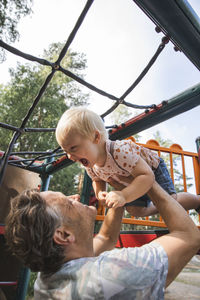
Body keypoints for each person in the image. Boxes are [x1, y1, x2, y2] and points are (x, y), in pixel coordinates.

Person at [5, 181, 200, 299]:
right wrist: (150, 182)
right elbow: (188, 237)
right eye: (68, 201)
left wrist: (121, 195)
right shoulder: (108, 276)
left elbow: (106, 238)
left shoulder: (49, 274)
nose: (75, 196)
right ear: (63, 235)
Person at [55, 107, 200, 216]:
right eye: (65, 151)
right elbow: (97, 180)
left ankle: (196, 201)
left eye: (73, 148)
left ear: (96, 138)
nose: (69, 156)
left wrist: (124, 195)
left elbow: (146, 175)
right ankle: (160, 205)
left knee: (170, 201)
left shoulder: (118, 151)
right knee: (135, 210)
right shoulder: (89, 163)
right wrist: (100, 194)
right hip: (132, 181)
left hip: (151, 169)